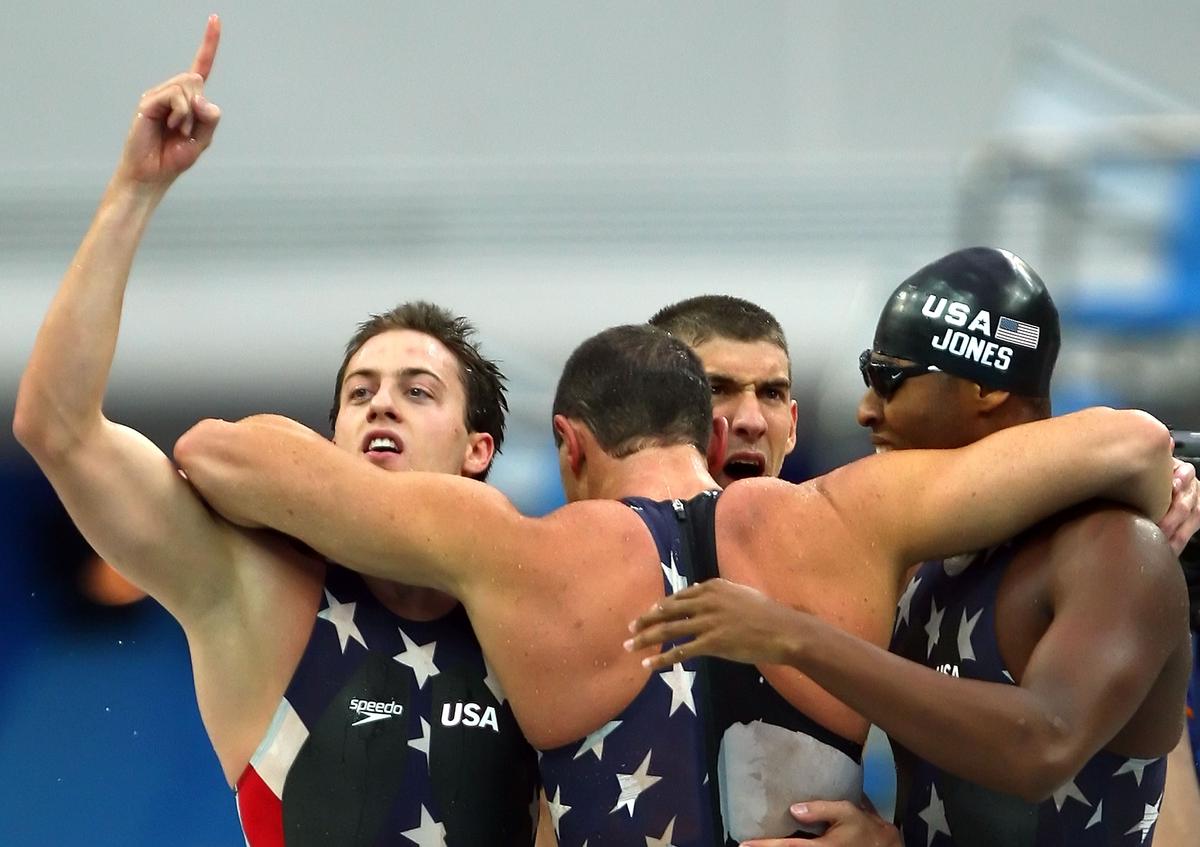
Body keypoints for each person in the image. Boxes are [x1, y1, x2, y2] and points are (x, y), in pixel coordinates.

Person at [176, 303, 1175, 844]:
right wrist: (1172, 479)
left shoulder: (510, 549)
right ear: (709, 431)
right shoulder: (849, 514)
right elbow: (1123, 439)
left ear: (568, 445)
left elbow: (221, 453)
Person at [12, 18, 540, 844]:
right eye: (359, 391)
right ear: (330, 437)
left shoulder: (542, 614)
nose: (381, 404)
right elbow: (58, 428)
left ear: (480, 450)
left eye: (418, 389)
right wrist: (133, 191)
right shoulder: (258, 594)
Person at [628, 247, 1195, 845]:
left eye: (888, 381)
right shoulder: (927, 565)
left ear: (983, 388)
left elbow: (1040, 745)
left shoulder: (1112, 549)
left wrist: (794, 636)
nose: (865, 410)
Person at [649, 295, 797, 488]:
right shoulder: (607, 517)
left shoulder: (825, 517)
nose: (752, 422)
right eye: (715, 390)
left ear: (792, 428)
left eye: (771, 394)